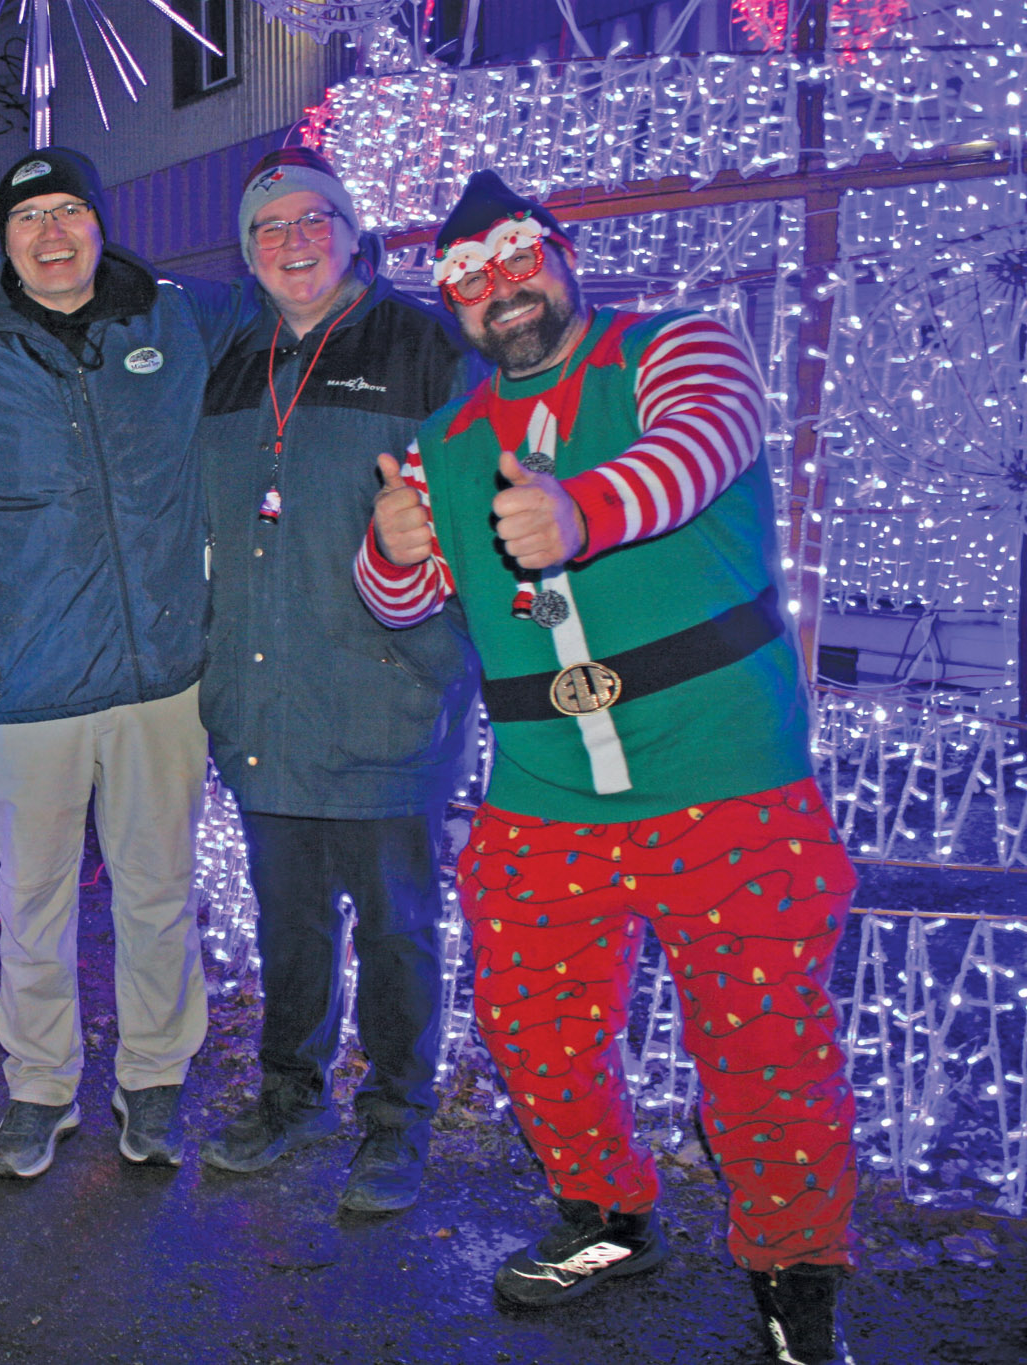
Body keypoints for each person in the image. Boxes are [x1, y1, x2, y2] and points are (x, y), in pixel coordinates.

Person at [355, 170, 858, 1364]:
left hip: (723, 769)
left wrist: (579, 510)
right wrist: (389, 549)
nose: (498, 290)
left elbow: (698, 448)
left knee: (762, 1043)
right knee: (530, 1025)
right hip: (542, 788)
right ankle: (606, 1214)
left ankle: (792, 1273)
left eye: (514, 258)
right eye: (467, 279)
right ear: (450, 307)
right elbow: (404, 600)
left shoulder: (675, 351)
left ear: (560, 256)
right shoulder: (443, 443)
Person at [0, 148, 248, 1177]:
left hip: (158, 678)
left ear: (99, 221)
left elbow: (294, 323)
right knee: (30, 903)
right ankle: (39, 1090)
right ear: (3, 240)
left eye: (68, 211)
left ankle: (155, 1082)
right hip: (19, 691)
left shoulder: (177, 315)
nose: (50, 234)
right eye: (28, 217)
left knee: (155, 891)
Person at [191, 148, 480, 1215]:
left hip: (386, 698)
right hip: (262, 702)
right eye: (267, 227)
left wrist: (437, 660)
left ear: (352, 232)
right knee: (287, 922)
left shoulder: (422, 347)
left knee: (398, 927)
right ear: (247, 250)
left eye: (314, 219)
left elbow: (480, 518)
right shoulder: (229, 359)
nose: (292, 241)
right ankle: (288, 1095)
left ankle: (396, 1122)